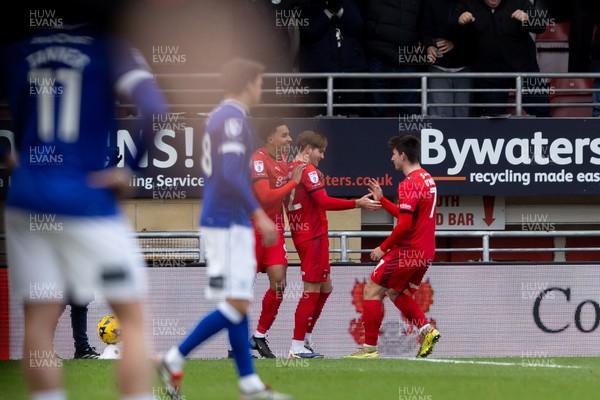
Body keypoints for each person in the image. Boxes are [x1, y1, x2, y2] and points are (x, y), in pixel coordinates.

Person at [0, 1, 168, 400]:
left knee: (39, 322)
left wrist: (8, 157)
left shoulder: (18, 49)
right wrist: (131, 170)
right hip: (87, 199)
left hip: (27, 201)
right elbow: (153, 108)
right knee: (132, 317)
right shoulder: (110, 47)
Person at [157, 58, 292, 400]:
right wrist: (258, 214)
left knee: (238, 302)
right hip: (226, 222)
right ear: (248, 82)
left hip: (225, 221)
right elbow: (231, 174)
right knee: (235, 305)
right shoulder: (232, 118)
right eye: (260, 81)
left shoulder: (224, 116)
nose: (261, 88)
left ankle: (249, 384)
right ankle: (174, 357)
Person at [285, 130, 381, 358]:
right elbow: (324, 201)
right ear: (308, 149)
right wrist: (356, 203)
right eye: (321, 151)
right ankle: (296, 347)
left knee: (325, 288)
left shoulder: (290, 170)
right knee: (311, 291)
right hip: (313, 236)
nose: (323, 156)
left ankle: (305, 340)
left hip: (306, 234)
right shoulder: (308, 171)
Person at [344, 134, 440, 359]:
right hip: (426, 251)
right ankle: (427, 330)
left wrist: (383, 248)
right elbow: (408, 217)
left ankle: (368, 349)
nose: (392, 159)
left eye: (394, 154)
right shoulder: (427, 179)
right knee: (395, 292)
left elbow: (404, 225)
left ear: (403, 155)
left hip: (409, 249)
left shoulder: (409, 183)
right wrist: (384, 200)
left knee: (371, 290)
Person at [246, 118, 306, 359]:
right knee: (243, 290)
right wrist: (294, 181)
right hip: (251, 229)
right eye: (284, 135)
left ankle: (259, 336)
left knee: (279, 284)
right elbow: (266, 196)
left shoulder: (282, 160)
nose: (289, 139)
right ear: (270, 138)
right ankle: (236, 344)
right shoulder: (258, 160)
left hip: (275, 231)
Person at [456, 0, 551, 117]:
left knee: (541, 111)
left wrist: (527, 18)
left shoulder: (520, 2)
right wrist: (459, 21)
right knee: (493, 118)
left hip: (524, 69)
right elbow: (447, 30)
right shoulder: (468, 4)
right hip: (490, 74)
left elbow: (541, 25)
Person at [297, 0, 368, 117]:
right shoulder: (307, 4)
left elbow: (357, 27)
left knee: (351, 119)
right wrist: (329, 11)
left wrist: (339, 10)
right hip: (318, 76)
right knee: (317, 121)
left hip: (350, 73)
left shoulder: (350, 3)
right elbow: (309, 31)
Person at [361, 0, 423, 117]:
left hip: (407, 56)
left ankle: (409, 136)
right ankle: (375, 135)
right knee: (376, 111)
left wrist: (421, 40)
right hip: (379, 54)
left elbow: (424, 21)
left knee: (409, 114)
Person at [419, 0, 473, 117]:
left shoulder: (472, 3)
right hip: (438, 67)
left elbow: (478, 36)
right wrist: (428, 46)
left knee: (463, 116)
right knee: (438, 116)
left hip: (465, 68)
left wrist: (455, 44)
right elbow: (425, 30)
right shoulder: (431, 3)